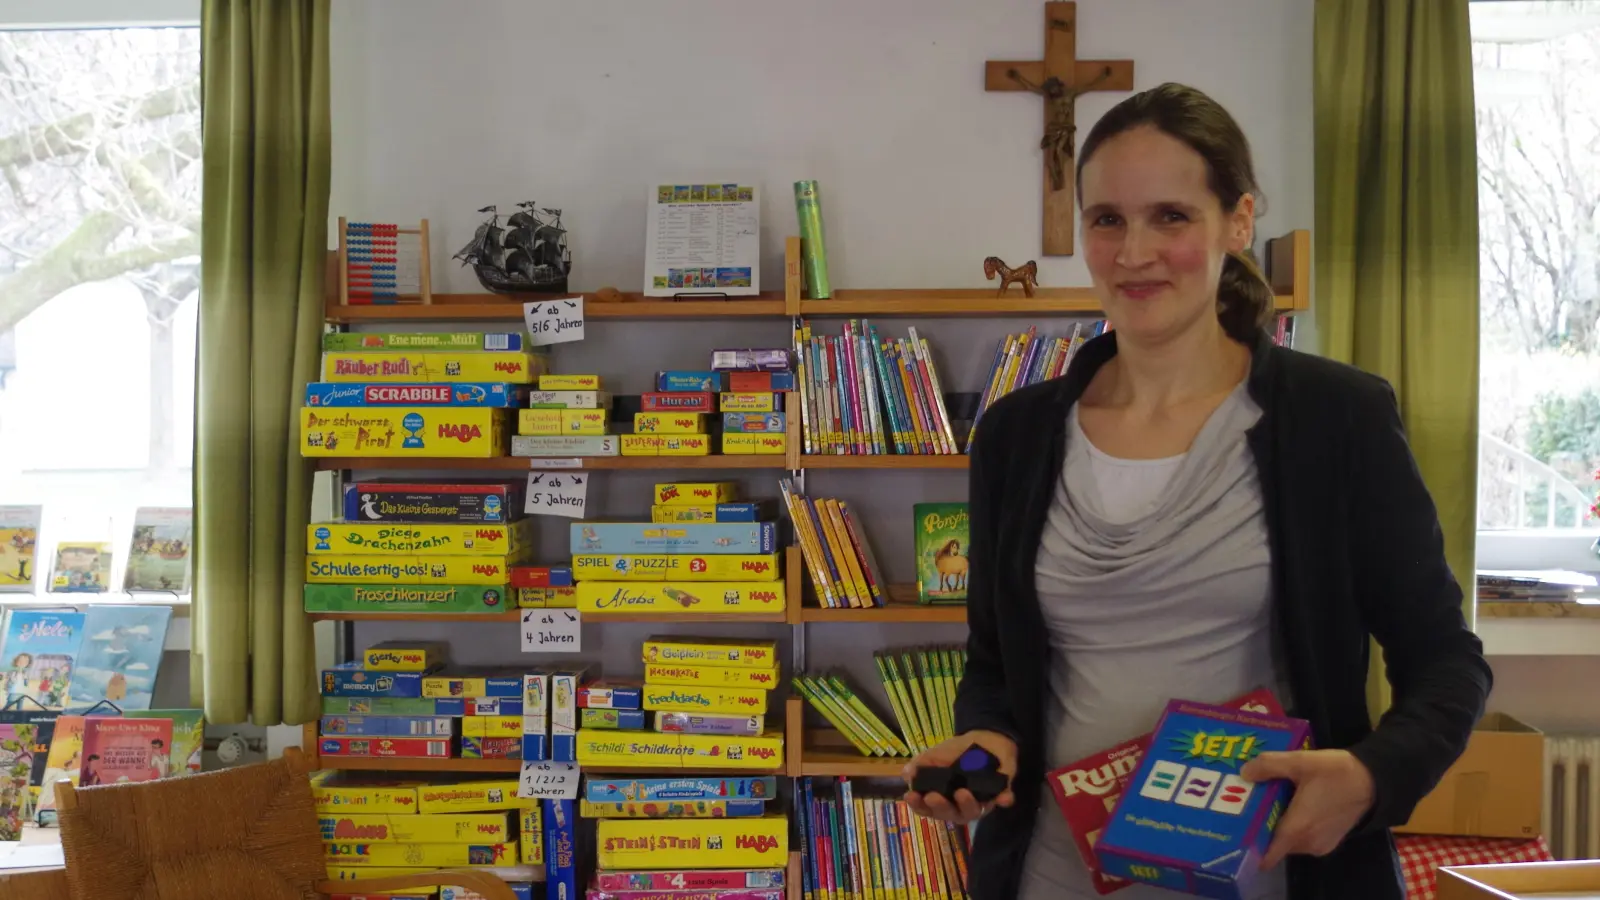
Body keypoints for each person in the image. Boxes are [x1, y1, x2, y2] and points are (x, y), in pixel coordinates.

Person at [902, 82, 1492, 900]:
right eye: (1107, 219)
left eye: (1171, 217)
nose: (1133, 252)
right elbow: (996, 668)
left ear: (1238, 221)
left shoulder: (1335, 420)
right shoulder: (1017, 436)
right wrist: (983, 747)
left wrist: (1369, 777)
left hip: (1272, 880)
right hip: (1053, 877)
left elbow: (1446, 662)